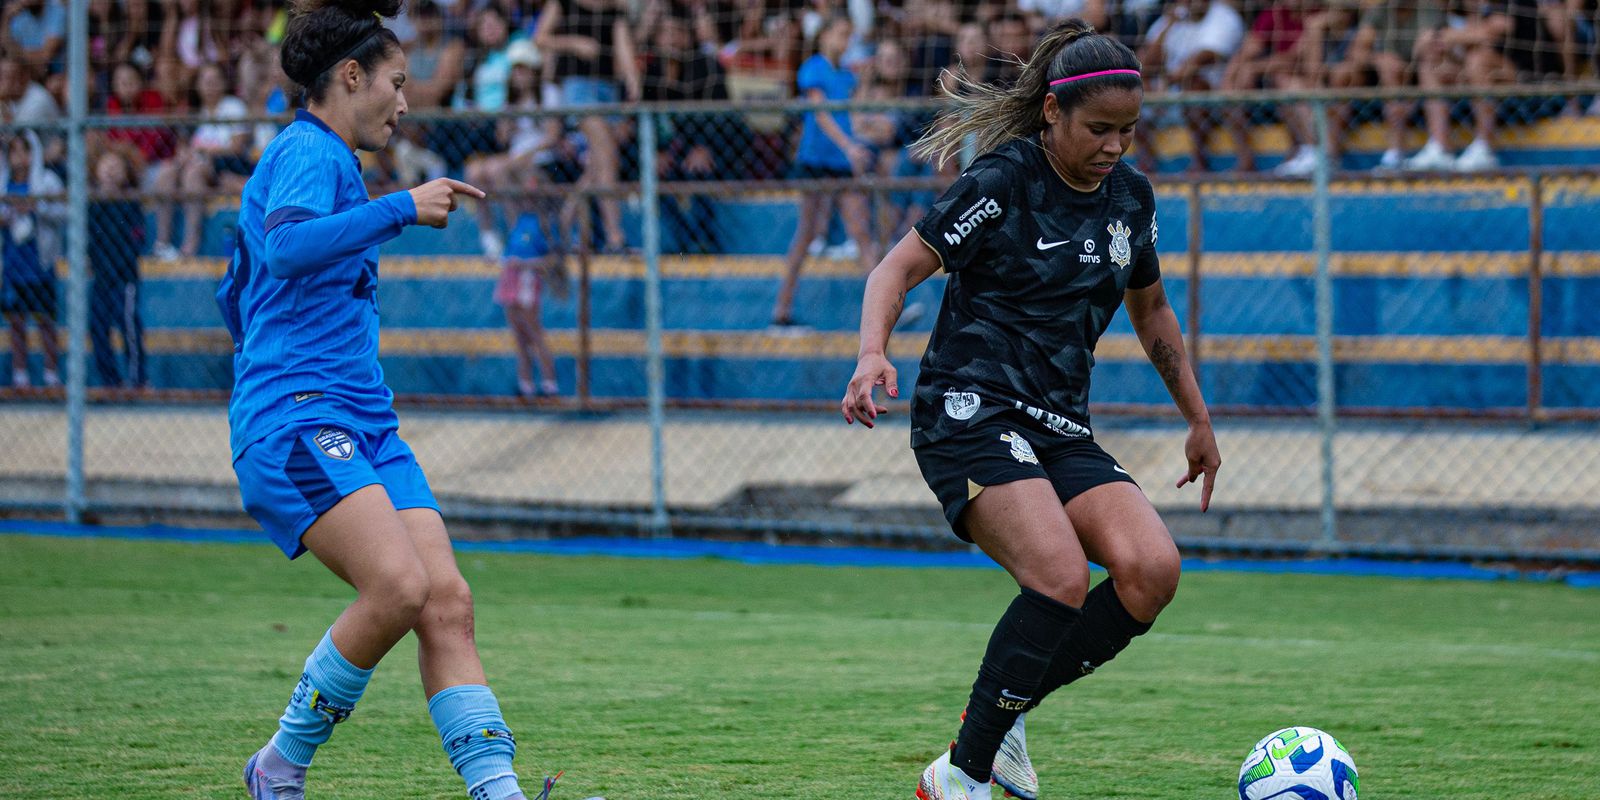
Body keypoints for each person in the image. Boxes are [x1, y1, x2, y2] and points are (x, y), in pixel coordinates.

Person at [840, 18, 1220, 800]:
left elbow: (1152, 313)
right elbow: (894, 267)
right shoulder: (1003, 181)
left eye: (1129, 130)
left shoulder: (1132, 200)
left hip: (1057, 425)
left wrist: (1197, 418)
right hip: (968, 411)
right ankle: (963, 779)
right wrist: (873, 351)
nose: (1116, 145)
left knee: (1151, 570)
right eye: (1100, 129)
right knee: (1058, 576)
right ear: (1052, 112)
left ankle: (996, 726)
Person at [217, 2, 554, 799]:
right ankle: (278, 766)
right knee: (400, 588)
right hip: (299, 418)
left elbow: (239, 290)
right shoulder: (310, 149)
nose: (405, 103)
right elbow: (286, 246)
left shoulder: (329, 161)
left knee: (446, 602)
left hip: (364, 424)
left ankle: (498, 794)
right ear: (351, 75)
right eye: (396, 83)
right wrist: (402, 206)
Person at [771, 15, 878, 328]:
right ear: (825, 35)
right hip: (818, 161)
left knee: (861, 233)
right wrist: (848, 146)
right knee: (806, 235)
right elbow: (821, 114)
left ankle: (885, 311)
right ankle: (781, 310)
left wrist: (868, 84)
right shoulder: (813, 68)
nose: (845, 42)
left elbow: (853, 115)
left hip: (843, 164)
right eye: (841, 34)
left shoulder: (846, 76)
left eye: (849, 36)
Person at [1, 131, 65, 389]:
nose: (20, 158)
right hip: (12, 265)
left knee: (45, 320)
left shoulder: (47, 181)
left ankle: (51, 375)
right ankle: (20, 376)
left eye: (25, 151)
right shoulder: (3, 183)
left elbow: (63, 212)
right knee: (16, 321)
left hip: (40, 264)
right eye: (14, 151)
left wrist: (38, 207)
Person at [88, 145, 149, 389]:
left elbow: (137, 237)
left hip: (125, 278)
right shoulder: (93, 203)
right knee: (97, 327)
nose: (111, 171)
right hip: (101, 277)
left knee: (129, 327)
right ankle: (110, 382)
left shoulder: (130, 202)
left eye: (117, 167)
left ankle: (138, 379)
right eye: (106, 166)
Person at [495, 211, 562, 398]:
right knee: (520, 337)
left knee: (534, 333)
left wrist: (526, 264)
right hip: (510, 277)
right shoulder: (516, 219)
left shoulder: (543, 223)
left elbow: (551, 260)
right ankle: (526, 385)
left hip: (527, 278)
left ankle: (550, 384)